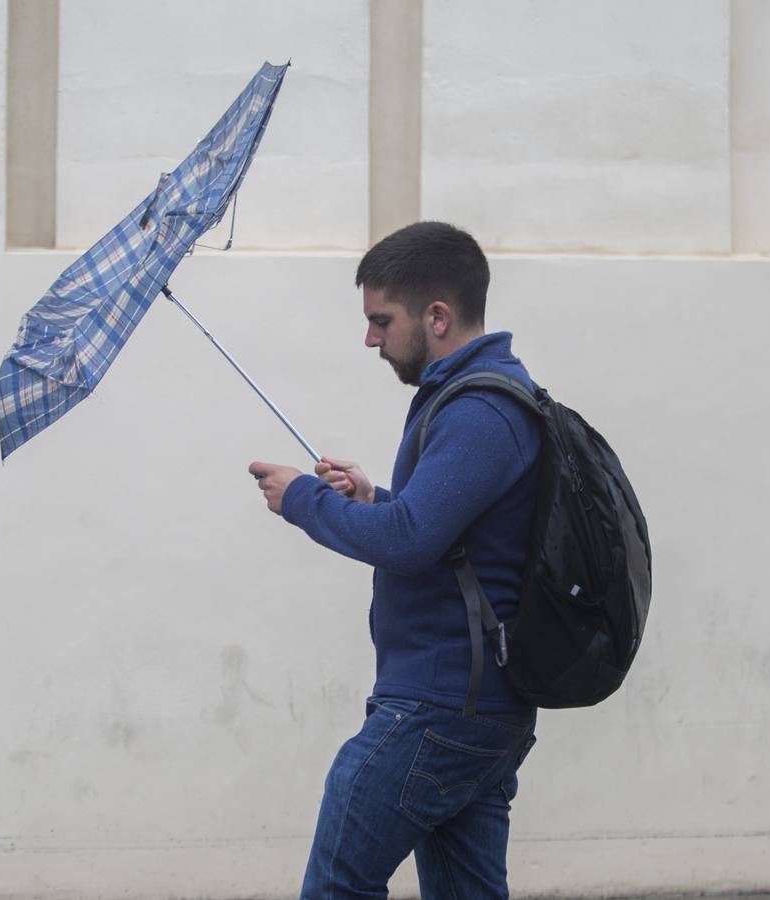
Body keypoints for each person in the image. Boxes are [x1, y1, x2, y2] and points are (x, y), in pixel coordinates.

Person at [248, 221, 541, 898]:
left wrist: (302, 500)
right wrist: (373, 496)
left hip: (438, 706)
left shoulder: (480, 412)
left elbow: (410, 542)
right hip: (475, 706)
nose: (371, 338)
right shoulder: (477, 396)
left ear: (437, 316)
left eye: (382, 320)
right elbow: (448, 536)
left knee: (336, 885)